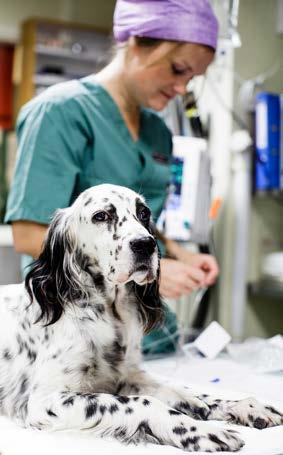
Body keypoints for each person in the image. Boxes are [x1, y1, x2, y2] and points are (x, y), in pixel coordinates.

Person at [5, 0, 219, 353]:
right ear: (137, 41)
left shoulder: (157, 131)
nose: (182, 89)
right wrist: (150, 271)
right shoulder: (59, 113)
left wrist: (180, 255)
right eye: (178, 69)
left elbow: (141, 221)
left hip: (147, 331)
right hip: (76, 334)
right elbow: (28, 235)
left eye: (192, 78)